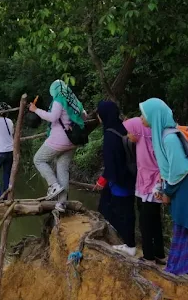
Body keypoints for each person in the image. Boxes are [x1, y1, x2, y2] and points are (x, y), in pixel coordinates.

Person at [140, 98, 188, 276]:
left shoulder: (169, 138)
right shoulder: (165, 135)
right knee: (184, 225)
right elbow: (169, 169)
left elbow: (180, 169)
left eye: (144, 114)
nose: (141, 118)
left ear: (155, 116)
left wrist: (167, 191)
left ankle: (179, 269)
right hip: (184, 186)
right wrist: (162, 187)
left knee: (185, 224)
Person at [29, 80, 86, 213]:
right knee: (62, 167)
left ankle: (53, 185)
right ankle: (62, 203)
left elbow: (53, 117)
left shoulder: (59, 98)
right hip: (72, 140)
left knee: (38, 159)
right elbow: (84, 116)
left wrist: (35, 110)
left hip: (59, 138)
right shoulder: (74, 100)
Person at [96, 100, 137, 256]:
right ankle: (126, 240)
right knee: (112, 207)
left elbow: (111, 161)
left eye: (99, 115)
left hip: (119, 179)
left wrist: (103, 179)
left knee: (121, 211)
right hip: (131, 176)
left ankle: (130, 245)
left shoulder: (110, 134)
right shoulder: (123, 127)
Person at [123, 117, 166, 265]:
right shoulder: (148, 140)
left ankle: (148, 257)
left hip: (152, 184)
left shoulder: (146, 141)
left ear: (138, 131)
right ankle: (159, 253)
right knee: (154, 219)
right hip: (145, 183)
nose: (128, 135)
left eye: (130, 132)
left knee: (145, 221)